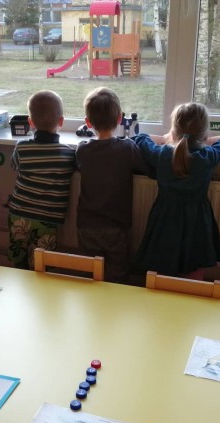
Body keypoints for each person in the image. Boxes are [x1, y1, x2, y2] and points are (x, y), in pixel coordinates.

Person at [132, 102, 220, 280]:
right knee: (194, 269)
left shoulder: (162, 155)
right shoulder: (207, 156)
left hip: (165, 221)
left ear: (174, 132)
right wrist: (207, 141)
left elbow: (140, 138)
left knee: (162, 269)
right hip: (197, 223)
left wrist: (165, 138)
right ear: (204, 134)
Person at [75, 87, 149, 283]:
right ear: (119, 119)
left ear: (88, 122)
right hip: (117, 227)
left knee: (90, 273)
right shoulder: (127, 148)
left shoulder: (82, 150)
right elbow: (144, 167)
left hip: (87, 226)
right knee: (117, 275)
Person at [7, 90, 77, 270]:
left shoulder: (22, 148)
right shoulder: (68, 154)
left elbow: (14, 165)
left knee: (18, 260)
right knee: (41, 265)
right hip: (47, 219)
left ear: (30, 122)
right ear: (61, 121)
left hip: (19, 214)